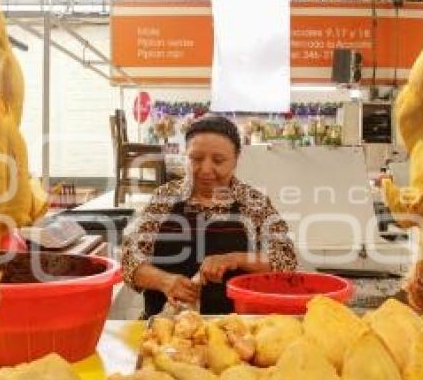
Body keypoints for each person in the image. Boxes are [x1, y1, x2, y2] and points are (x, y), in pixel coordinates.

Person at [121, 115, 297, 317]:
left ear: (236, 159)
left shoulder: (253, 203)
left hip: (236, 327)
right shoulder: (164, 198)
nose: (205, 170)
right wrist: (166, 281)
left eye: (218, 160)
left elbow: (286, 260)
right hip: (165, 328)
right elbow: (129, 260)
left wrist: (236, 258)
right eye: (196, 159)